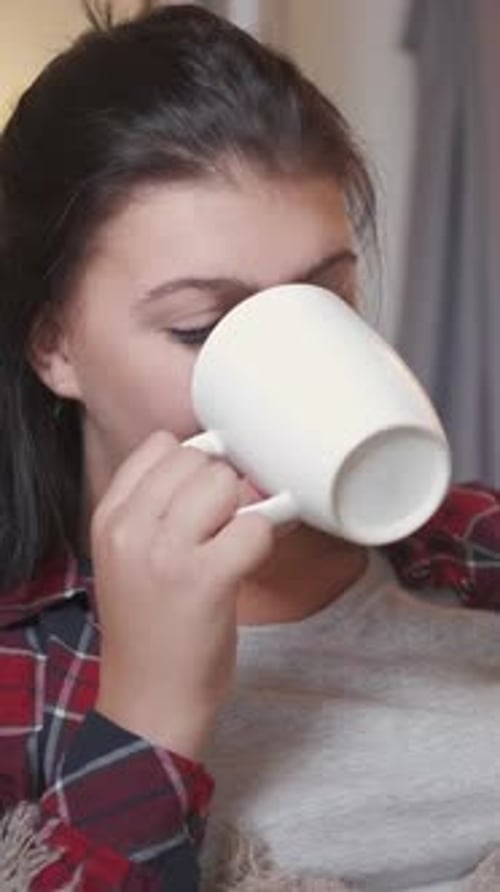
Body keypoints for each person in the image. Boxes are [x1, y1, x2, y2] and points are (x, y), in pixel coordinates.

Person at [0, 3, 499, 890]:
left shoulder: (472, 548)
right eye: (200, 327)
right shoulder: (20, 678)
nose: (298, 370)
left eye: (324, 298)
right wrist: (148, 714)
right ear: (55, 347)